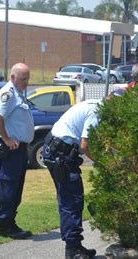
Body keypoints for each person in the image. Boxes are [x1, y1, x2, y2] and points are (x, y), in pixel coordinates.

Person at [42, 99, 101, 259]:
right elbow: (85, 146)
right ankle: (73, 250)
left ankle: (76, 246)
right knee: (71, 201)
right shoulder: (97, 111)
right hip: (62, 156)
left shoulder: (93, 104)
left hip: (59, 152)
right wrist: (103, 162)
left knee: (70, 200)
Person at [0, 62, 34, 240]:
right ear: (13, 77)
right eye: (24, 79)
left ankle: (10, 222)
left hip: (19, 149)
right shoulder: (8, 94)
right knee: (7, 187)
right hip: (9, 150)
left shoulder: (19, 93)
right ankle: (5, 224)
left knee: (16, 188)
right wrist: (7, 138)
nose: (26, 83)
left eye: (28, 79)